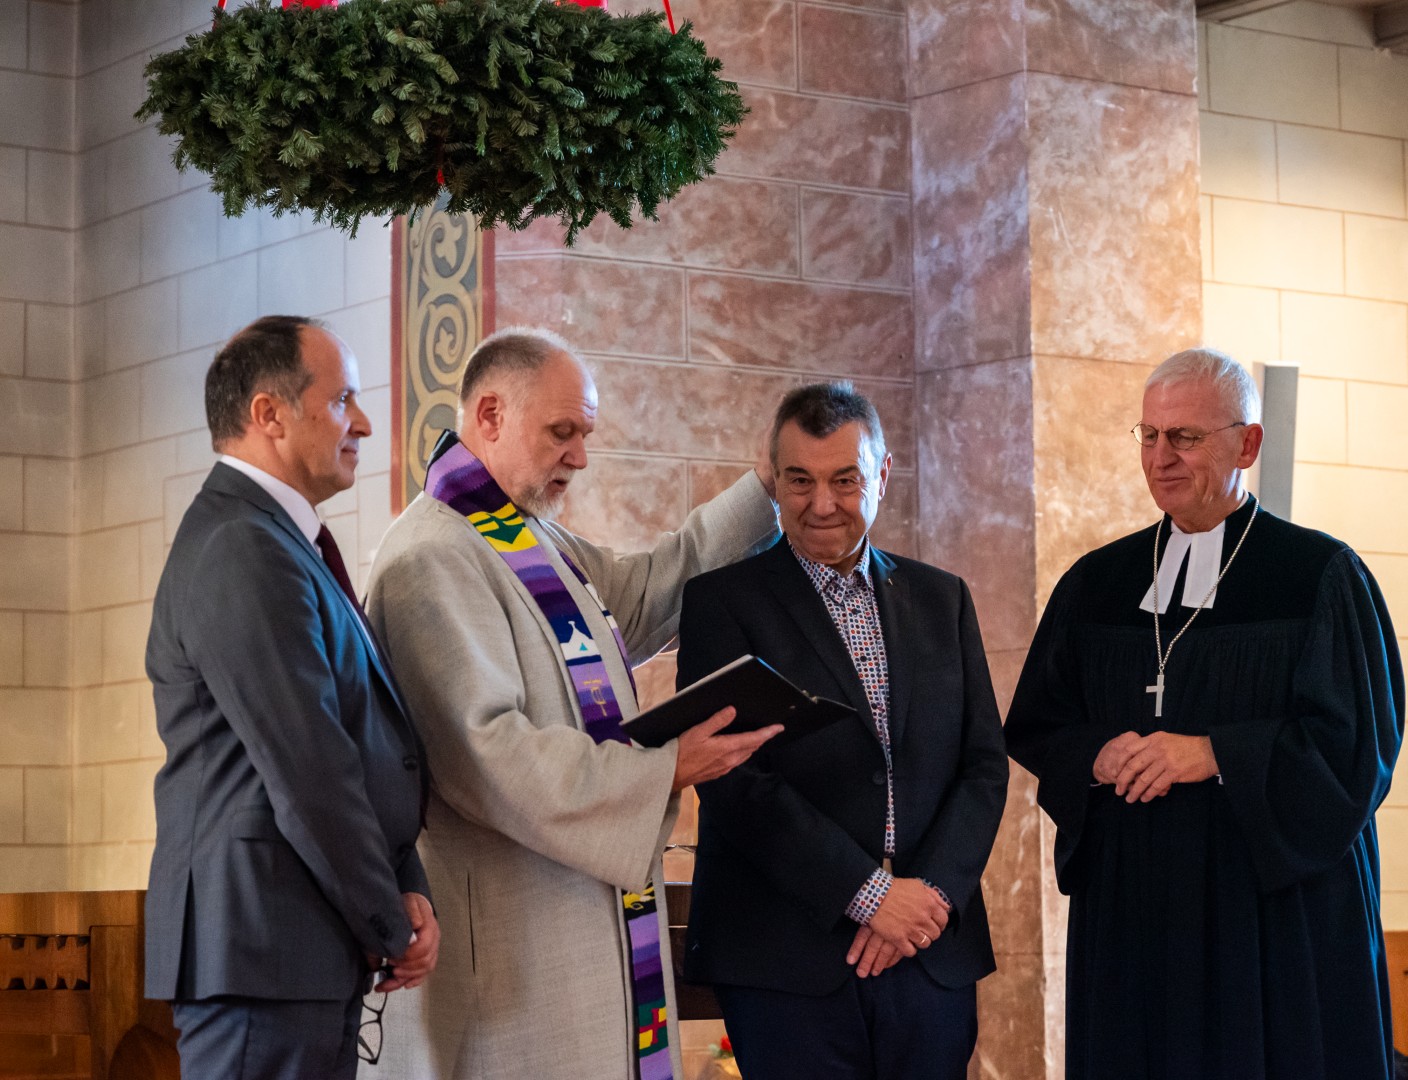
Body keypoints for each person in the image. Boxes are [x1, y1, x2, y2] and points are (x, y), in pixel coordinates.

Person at [361, 326, 783, 1080]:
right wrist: (663, 771)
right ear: (489, 414)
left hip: (579, 927)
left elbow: (658, 586)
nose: (580, 457)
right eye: (562, 432)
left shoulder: (527, 542)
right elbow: (486, 753)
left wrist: (763, 487)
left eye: (584, 434)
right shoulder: (430, 557)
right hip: (516, 952)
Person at [1004, 347, 1403, 1079]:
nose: (1161, 457)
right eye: (1149, 436)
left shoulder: (1317, 576)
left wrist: (1216, 752)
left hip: (1267, 916)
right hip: (1134, 912)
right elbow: (1037, 724)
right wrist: (1094, 755)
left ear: (1246, 443)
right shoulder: (1097, 585)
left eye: (1184, 438)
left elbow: (1357, 748)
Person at [676, 382, 1008, 1080]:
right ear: (774, 479)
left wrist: (928, 899)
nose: (821, 503)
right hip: (787, 959)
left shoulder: (942, 599)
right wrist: (867, 895)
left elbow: (983, 764)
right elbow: (732, 780)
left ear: (881, 475)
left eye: (844, 479)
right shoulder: (721, 605)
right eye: (799, 480)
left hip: (929, 950)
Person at [146, 315, 439, 1080]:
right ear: (269, 414)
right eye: (343, 399)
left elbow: (363, 738)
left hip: (299, 948)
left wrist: (405, 886)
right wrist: (387, 916)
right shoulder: (242, 544)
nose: (365, 423)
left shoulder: (280, 542)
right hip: (259, 948)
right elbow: (308, 762)